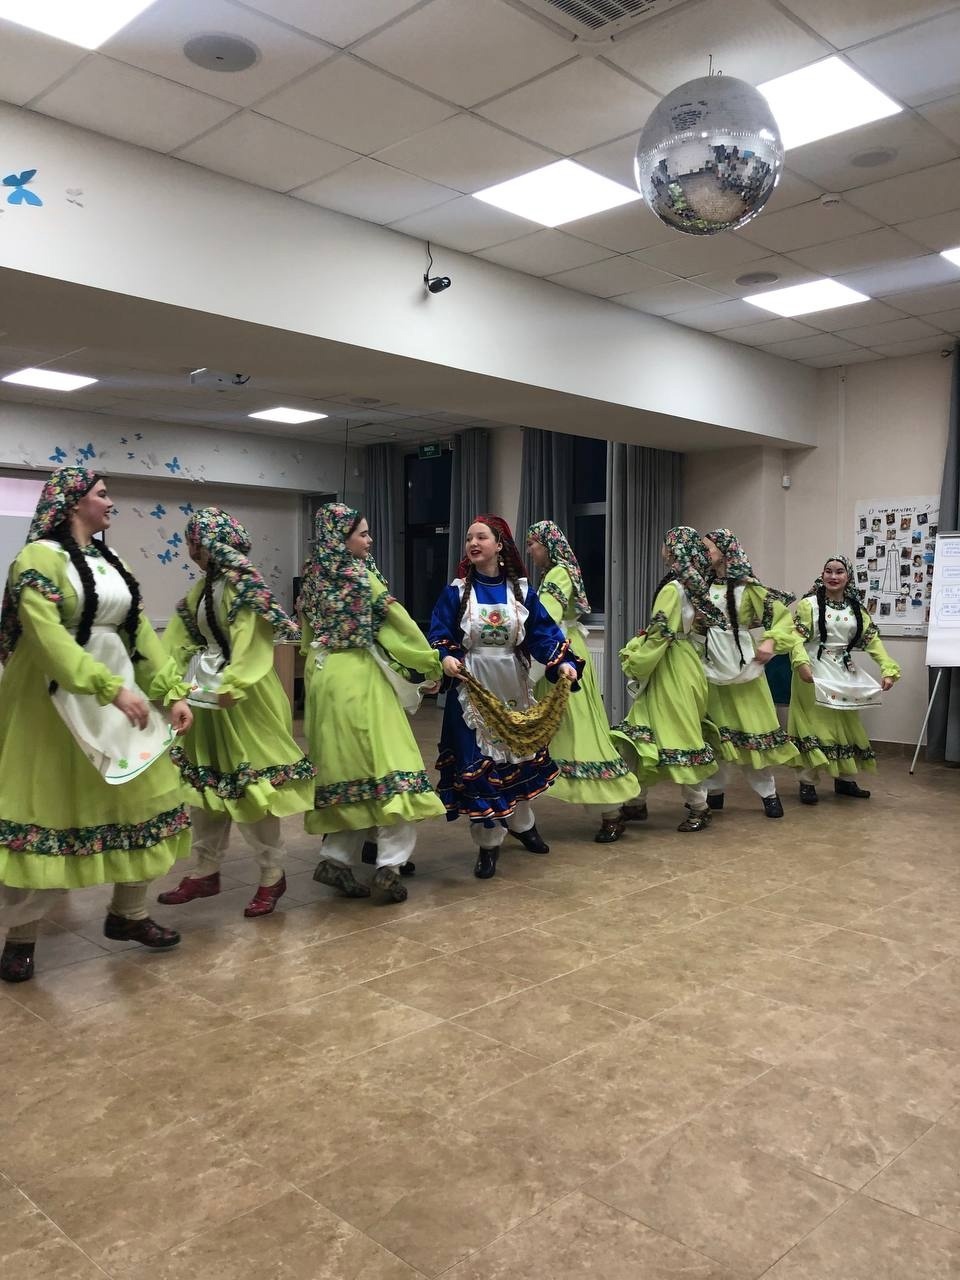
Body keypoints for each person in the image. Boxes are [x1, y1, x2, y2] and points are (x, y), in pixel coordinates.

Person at [0, 469, 192, 983]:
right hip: (52, 699)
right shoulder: (38, 557)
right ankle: (20, 938)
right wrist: (104, 686)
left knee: (143, 795)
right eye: (102, 494)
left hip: (119, 694)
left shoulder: (112, 561)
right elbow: (45, 636)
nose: (111, 502)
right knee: (47, 808)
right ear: (72, 502)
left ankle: (128, 913)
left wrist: (169, 691)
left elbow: (139, 634)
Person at [157, 508, 316, 918]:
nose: (190, 550)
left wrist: (236, 682)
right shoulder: (202, 589)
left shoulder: (244, 585)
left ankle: (272, 874)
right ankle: (205, 870)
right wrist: (167, 683)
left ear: (213, 544)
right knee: (208, 786)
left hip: (242, 698)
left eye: (194, 542)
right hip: (206, 695)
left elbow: (252, 637)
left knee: (250, 787)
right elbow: (179, 638)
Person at [301, 503, 443, 904]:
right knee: (394, 769)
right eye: (362, 533)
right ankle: (390, 866)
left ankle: (335, 859)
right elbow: (399, 627)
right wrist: (429, 663)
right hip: (360, 678)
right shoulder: (362, 579)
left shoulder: (313, 577)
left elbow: (307, 636)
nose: (370, 540)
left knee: (346, 774)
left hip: (324, 678)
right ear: (342, 538)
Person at [429, 515, 580, 879]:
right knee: (480, 765)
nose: (473, 543)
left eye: (481, 537)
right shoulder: (456, 592)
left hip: (512, 684)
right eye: (469, 538)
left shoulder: (522, 592)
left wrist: (562, 662)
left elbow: (543, 633)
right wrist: (446, 655)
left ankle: (523, 825)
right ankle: (488, 844)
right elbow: (439, 632)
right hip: (471, 689)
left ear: (499, 545)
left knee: (517, 759)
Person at [525, 521, 636, 842]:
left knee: (580, 730)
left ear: (548, 545)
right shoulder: (554, 574)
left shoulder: (558, 574)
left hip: (562, 656)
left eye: (533, 544)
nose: (530, 550)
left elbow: (546, 618)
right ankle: (518, 813)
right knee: (555, 731)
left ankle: (612, 811)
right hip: (559, 653)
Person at [611, 526, 720, 832]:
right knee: (641, 735)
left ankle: (699, 806)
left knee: (679, 736)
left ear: (672, 550)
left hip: (670, 667)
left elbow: (661, 633)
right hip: (682, 663)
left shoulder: (674, 588)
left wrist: (637, 662)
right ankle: (635, 801)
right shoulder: (690, 584)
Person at [698, 528, 799, 818]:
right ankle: (714, 793)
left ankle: (769, 794)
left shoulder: (748, 587)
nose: (705, 554)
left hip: (742, 665)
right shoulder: (702, 586)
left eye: (709, 548)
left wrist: (770, 641)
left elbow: (782, 619)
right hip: (710, 663)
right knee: (715, 731)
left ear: (726, 551)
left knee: (751, 729)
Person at [788, 555, 900, 803]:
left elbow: (872, 640)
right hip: (813, 671)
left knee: (847, 722)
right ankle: (807, 781)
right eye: (828, 571)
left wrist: (888, 668)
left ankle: (845, 779)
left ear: (848, 577)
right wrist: (801, 663)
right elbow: (795, 638)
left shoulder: (855, 608)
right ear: (822, 575)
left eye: (839, 572)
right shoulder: (809, 605)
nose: (833, 576)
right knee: (814, 724)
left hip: (842, 670)